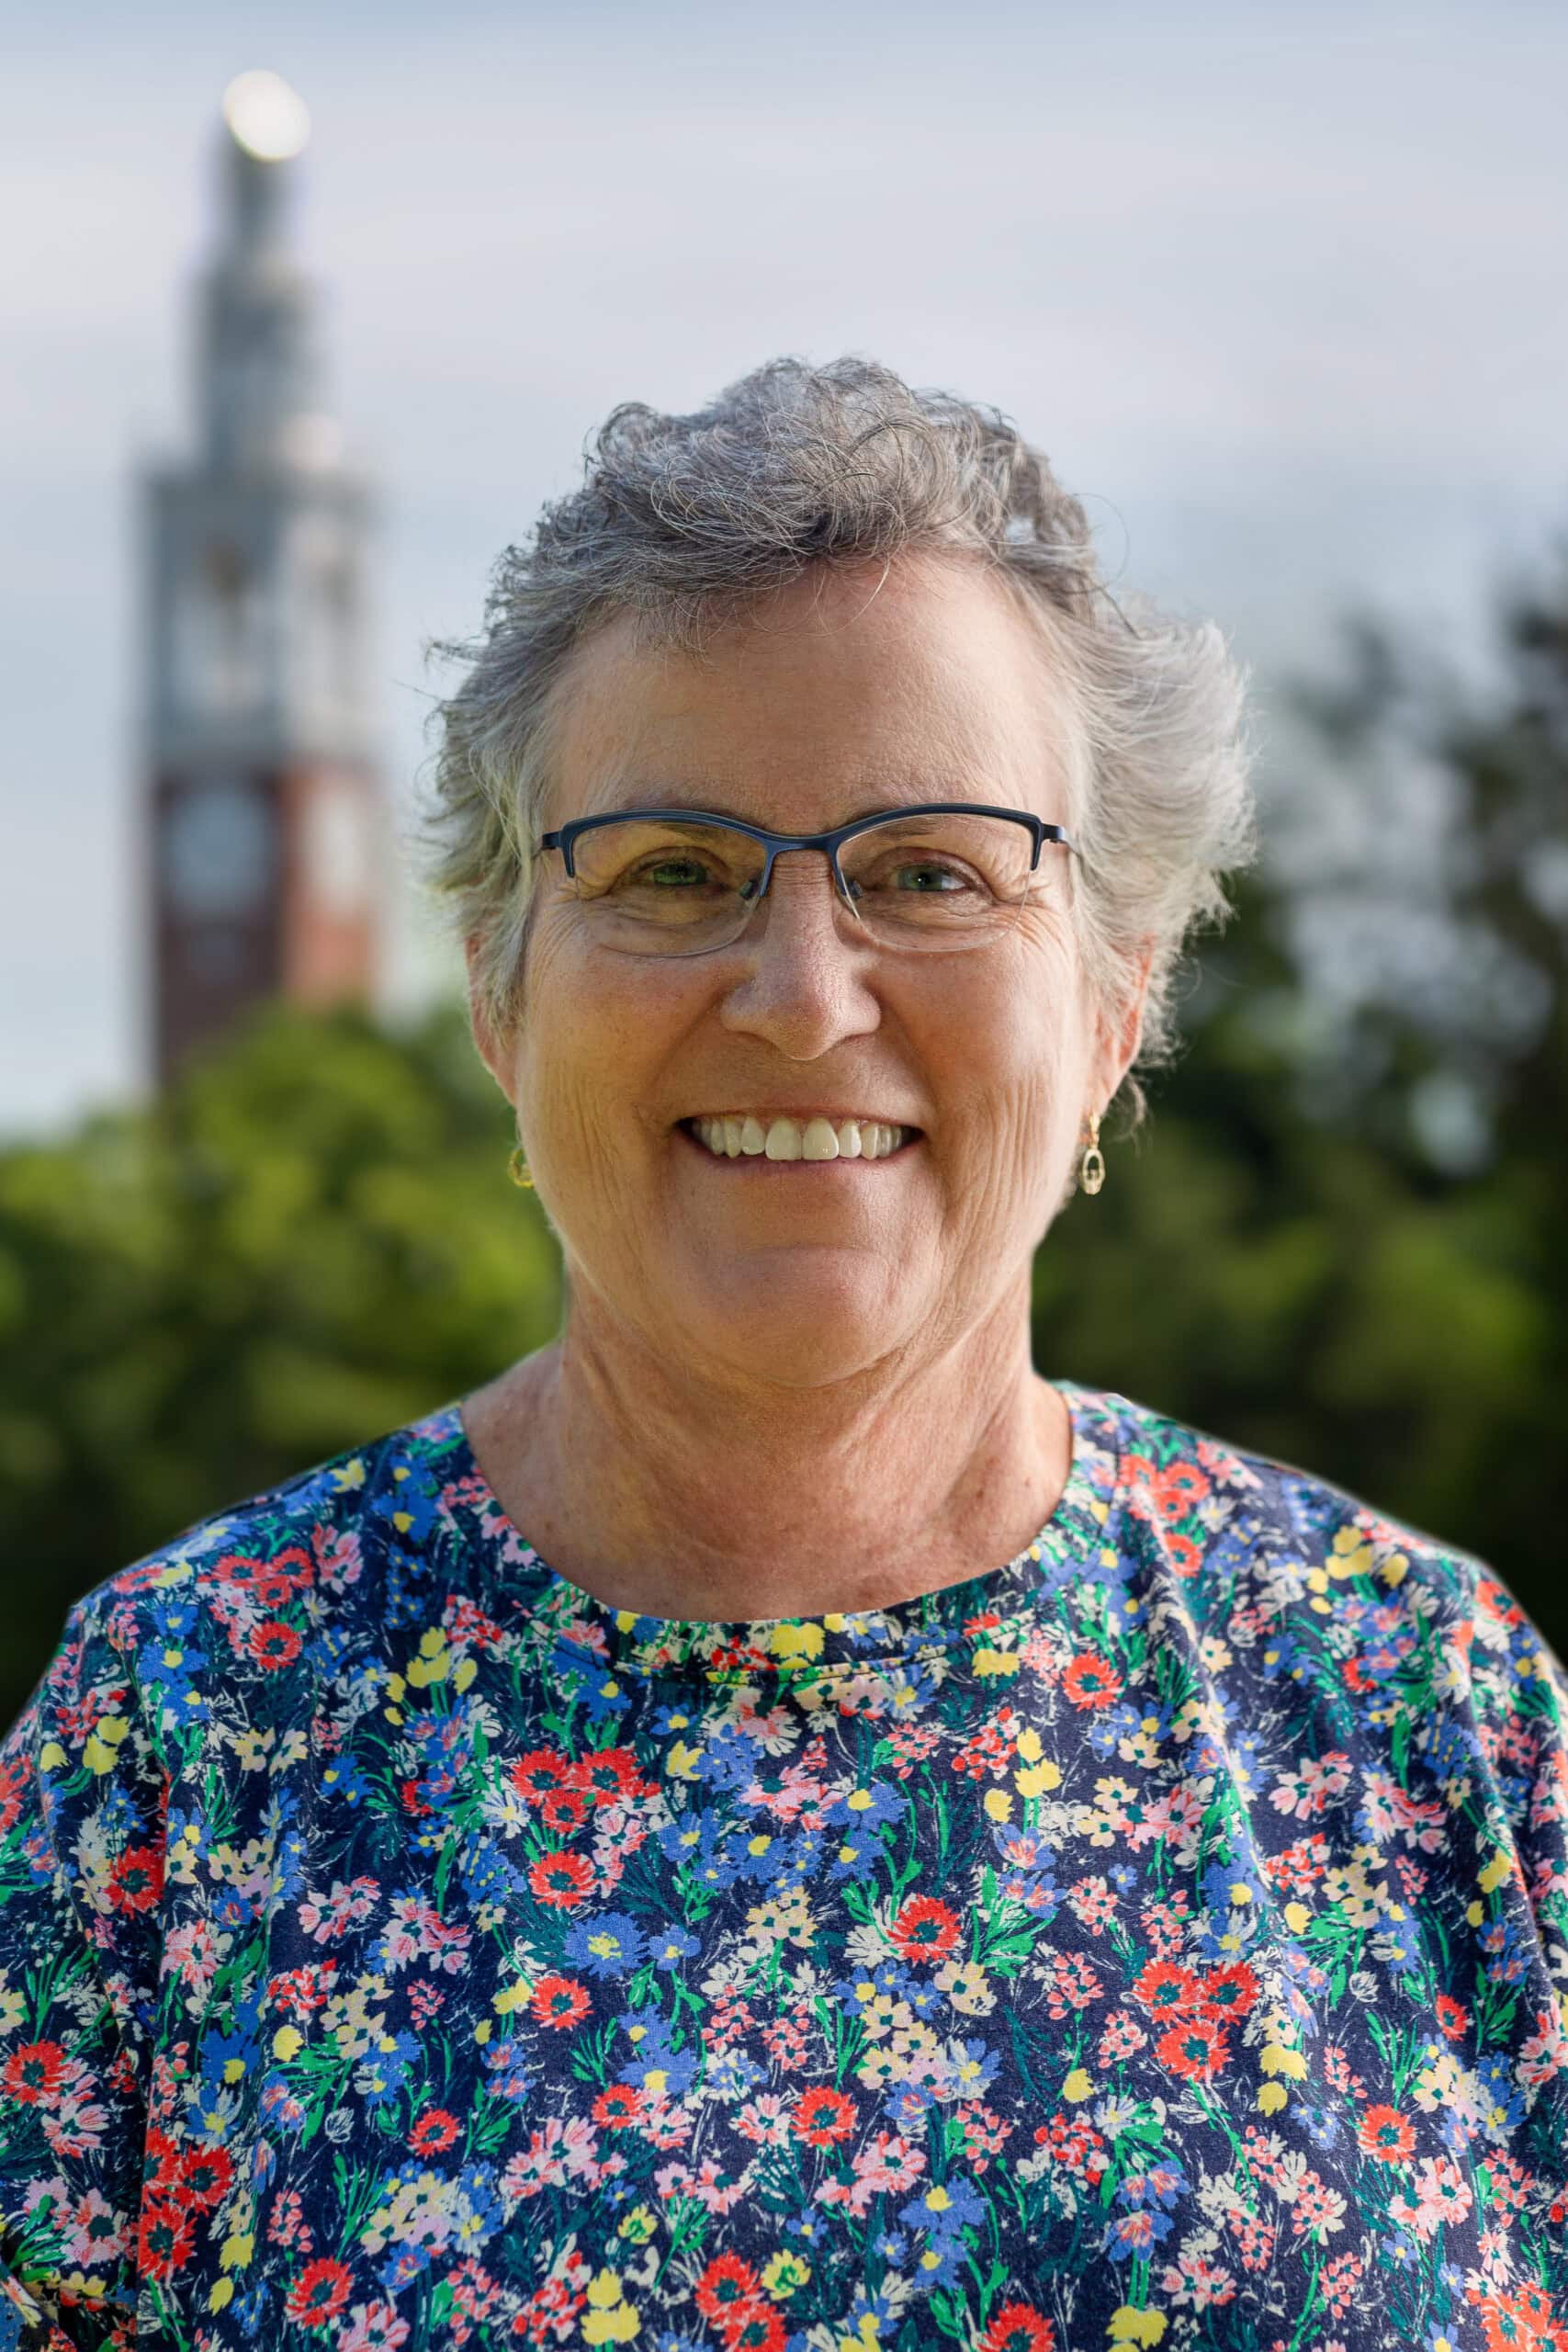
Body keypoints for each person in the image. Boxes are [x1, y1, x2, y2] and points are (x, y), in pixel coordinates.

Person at [3, 356, 1565, 2352]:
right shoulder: (179, 1741)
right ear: (495, 994)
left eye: (929, 868)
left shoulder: (1423, 1713)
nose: (801, 995)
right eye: (670, 869)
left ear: (1110, 1002)